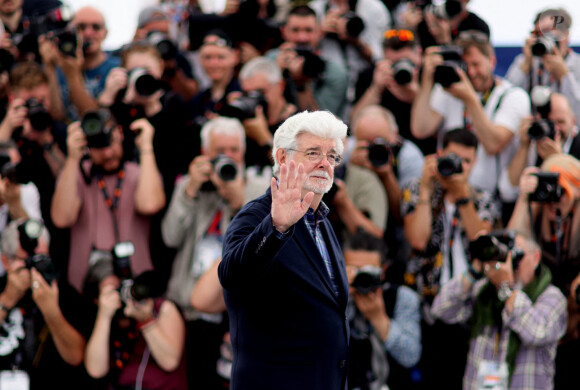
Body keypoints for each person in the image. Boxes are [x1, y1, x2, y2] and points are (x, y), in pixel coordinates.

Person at [219, 110, 349, 389]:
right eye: (313, 153)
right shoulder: (256, 216)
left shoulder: (322, 220)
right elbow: (232, 277)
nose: (325, 164)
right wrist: (276, 228)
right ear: (281, 158)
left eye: (331, 156)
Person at [161, 116, 270, 389]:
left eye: (233, 150)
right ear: (205, 154)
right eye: (219, 151)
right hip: (190, 308)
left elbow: (267, 243)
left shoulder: (258, 188)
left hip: (235, 310)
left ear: (243, 153)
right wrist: (189, 191)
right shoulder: (190, 184)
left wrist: (238, 201)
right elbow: (170, 237)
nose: (227, 157)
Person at [401, 128, 493, 388]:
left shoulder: (482, 198)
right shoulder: (417, 189)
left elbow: (482, 245)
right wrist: (428, 190)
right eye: (454, 158)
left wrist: (463, 197)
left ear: (475, 163)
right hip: (426, 306)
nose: (460, 166)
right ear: (439, 155)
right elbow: (418, 240)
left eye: (467, 160)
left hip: (469, 308)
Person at [411, 31, 531, 219]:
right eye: (465, 66)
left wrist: (469, 98)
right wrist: (427, 79)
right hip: (449, 194)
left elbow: (493, 143)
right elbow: (420, 129)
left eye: (476, 64)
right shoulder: (447, 91)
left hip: (493, 202)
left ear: (491, 61)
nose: (471, 72)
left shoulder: (514, 96)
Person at [431, 232, 567, 390]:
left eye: (516, 256)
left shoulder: (552, 298)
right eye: (505, 257)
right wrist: (474, 270)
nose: (510, 264)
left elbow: (536, 332)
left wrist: (506, 288)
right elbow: (440, 309)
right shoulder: (484, 291)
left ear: (536, 258)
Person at [50, 112, 165, 293]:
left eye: (110, 142)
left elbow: (150, 204)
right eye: (99, 146)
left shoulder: (139, 174)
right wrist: (72, 158)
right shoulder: (77, 176)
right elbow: (62, 219)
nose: (108, 153)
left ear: (119, 134)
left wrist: (146, 148)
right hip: (87, 283)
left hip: (139, 279)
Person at [0, 218, 95, 389]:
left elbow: (76, 357)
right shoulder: (2, 289)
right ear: (6, 261)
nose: (33, 269)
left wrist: (52, 312)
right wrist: (7, 299)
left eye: (40, 259)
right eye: (25, 261)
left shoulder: (63, 292)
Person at [84, 266, 187, 389]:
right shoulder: (105, 320)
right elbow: (96, 370)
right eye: (113, 291)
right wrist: (104, 316)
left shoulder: (161, 308)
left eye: (122, 285)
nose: (120, 294)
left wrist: (147, 322)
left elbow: (170, 361)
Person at [344, 228, 421, 390]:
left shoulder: (402, 297)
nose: (361, 278)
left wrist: (380, 320)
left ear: (383, 271)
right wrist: (341, 297)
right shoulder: (333, 297)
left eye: (367, 271)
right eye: (354, 270)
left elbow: (411, 356)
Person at [351, 27, 432, 155]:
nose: (402, 67)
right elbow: (355, 123)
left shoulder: (429, 76)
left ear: (419, 54)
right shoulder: (371, 75)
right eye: (394, 63)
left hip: (422, 150)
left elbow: (436, 129)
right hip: (377, 150)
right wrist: (376, 89)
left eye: (407, 62)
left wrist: (417, 97)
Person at [40, 6, 120, 121]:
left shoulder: (115, 69)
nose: (88, 33)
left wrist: (73, 76)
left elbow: (93, 120)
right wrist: (49, 67)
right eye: (81, 27)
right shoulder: (62, 66)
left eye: (96, 27)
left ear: (105, 33)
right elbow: (56, 116)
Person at [267, 5, 349, 116]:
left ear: (319, 32)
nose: (302, 38)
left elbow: (322, 125)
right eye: (295, 30)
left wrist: (301, 84)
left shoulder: (333, 72)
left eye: (308, 30)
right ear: (284, 31)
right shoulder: (271, 61)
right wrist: (276, 73)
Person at [500, 92, 580, 203]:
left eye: (561, 122)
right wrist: (524, 146)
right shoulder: (534, 142)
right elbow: (507, 192)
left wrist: (557, 159)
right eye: (550, 122)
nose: (555, 128)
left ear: (574, 122)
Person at [505, 8, 580, 121]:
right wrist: (525, 65)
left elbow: (577, 111)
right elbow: (506, 101)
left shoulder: (577, 64)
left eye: (549, 32)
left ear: (566, 34)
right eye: (538, 33)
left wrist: (564, 75)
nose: (544, 38)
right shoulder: (525, 61)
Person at [236, 56, 297, 168]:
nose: (253, 99)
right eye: (247, 94)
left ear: (280, 86)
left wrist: (265, 140)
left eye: (260, 92)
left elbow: (296, 172)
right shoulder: (243, 120)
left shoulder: (299, 125)